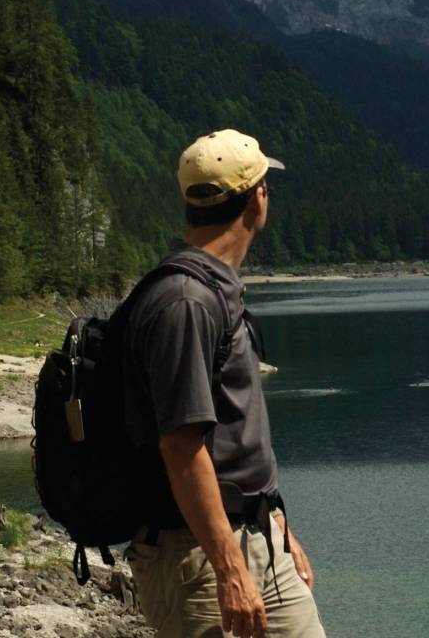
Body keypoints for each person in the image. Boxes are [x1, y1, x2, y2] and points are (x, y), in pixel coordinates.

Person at [123, 129, 325, 638]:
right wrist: (230, 568)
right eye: (266, 188)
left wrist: (275, 525)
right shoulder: (185, 302)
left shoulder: (210, 289)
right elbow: (181, 444)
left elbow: (233, 438)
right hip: (197, 554)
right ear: (257, 200)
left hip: (254, 534)